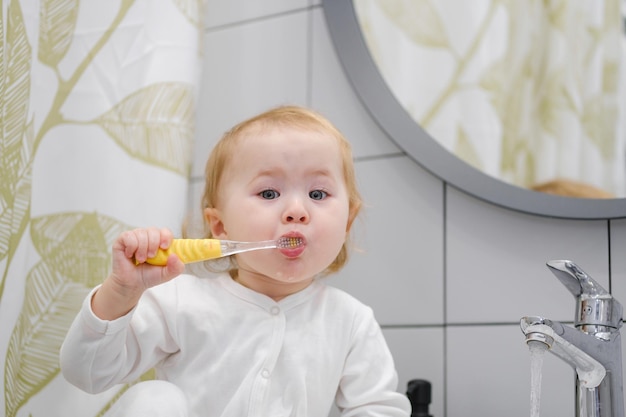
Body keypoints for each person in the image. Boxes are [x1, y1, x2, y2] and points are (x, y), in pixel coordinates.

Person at [60, 105, 412, 417]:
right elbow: (87, 372)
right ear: (220, 226)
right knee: (154, 399)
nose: (296, 211)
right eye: (269, 193)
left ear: (347, 222)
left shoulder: (350, 322)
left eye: (317, 193)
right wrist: (120, 293)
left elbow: (378, 407)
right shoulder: (181, 301)